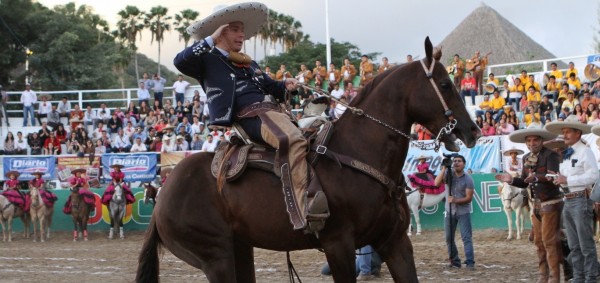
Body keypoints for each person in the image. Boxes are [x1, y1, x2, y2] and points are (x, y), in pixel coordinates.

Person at [174, 2, 328, 232]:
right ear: (221, 31)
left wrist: (286, 84)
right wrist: (211, 39)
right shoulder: (206, 60)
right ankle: (302, 207)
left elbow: (270, 86)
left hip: (273, 112)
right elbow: (179, 61)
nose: (242, 34)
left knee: (324, 131)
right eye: (235, 29)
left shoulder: (248, 62)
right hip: (251, 117)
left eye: (242, 29)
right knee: (292, 140)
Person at [495, 128, 563, 283]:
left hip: (551, 203)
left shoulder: (551, 154)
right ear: (526, 143)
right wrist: (511, 180)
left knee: (548, 241)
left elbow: (553, 176)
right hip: (536, 205)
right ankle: (543, 275)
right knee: (539, 242)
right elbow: (525, 181)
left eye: (535, 140)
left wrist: (537, 177)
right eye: (529, 141)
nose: (532, 143)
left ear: (541, 141)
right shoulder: (526, 157)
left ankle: (554, 277)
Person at [545, 116, 599, 282]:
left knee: (584, 244)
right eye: (564, 131)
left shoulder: (585, 151)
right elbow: (568, 177)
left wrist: (567, 180)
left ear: (578, 133)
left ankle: (590, 277)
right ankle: (579, 276)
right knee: (574, 244)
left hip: (580, 199)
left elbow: (593, 176)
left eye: (568, 131)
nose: (565, 134)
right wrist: (557, 179)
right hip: (569, 199)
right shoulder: (568, 154)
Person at [434, 154, 475, 270]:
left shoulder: (468, 179)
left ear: (464, 164)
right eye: (455, 161)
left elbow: (469, 198)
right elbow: (436, 183)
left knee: (466, 237)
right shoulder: (448, 175)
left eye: (459, 161)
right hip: (449, 211)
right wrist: (443, 168)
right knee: (448, 238)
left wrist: (456, 200)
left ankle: (470, 262)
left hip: (463, 212)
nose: (456, 163)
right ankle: (455, 261)